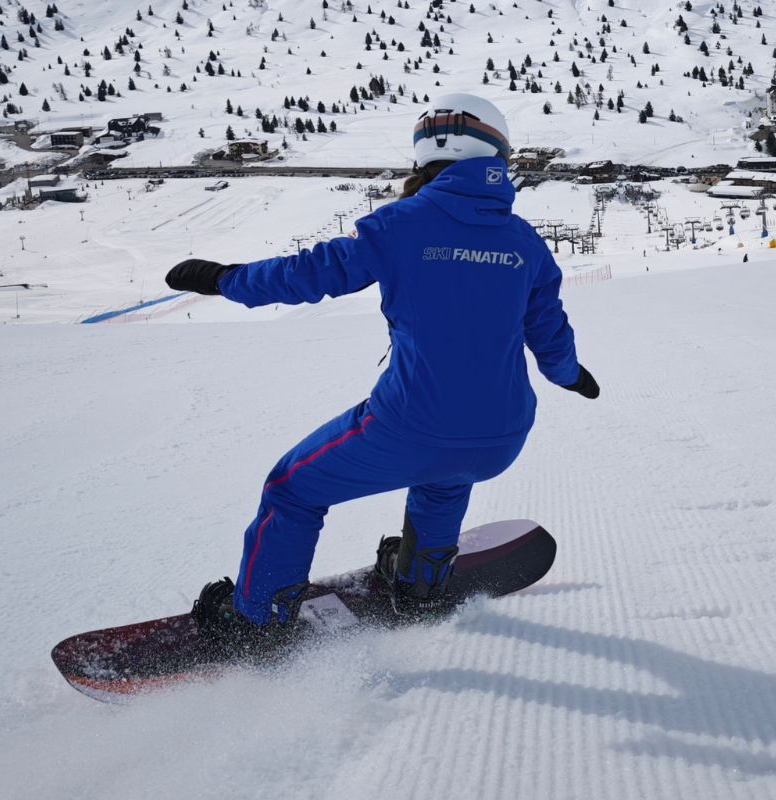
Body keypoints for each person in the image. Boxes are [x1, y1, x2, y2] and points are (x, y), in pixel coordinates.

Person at [164, 93, 598, 653]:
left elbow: (309, 273)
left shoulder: (402, 223)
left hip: (410, 427)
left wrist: (224, 278)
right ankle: (419, 585)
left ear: (423, 155)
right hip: (502, 437)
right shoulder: (524, 242)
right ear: (496, 152)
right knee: (443, 479)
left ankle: (257, 621)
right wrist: (570, 377)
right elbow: (550, 335)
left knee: (291, 489)